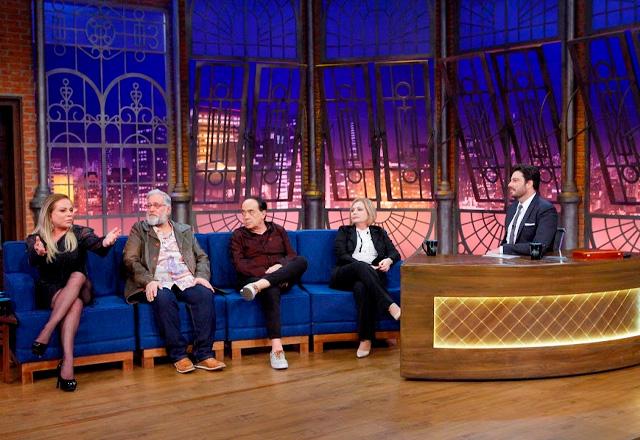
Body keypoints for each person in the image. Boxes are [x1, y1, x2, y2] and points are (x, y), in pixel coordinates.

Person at [123, 189, 225, 374]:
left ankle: (204, 354)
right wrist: (147, 281)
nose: (151, 209)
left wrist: (201, 277)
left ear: (168, 209)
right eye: (149, 205)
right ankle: (179, 355)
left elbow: (202, 257)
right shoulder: (140, 229)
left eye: (156, 205)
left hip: (186, 280)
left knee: (205, 294)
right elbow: (130, 259)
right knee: (163, 298)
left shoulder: (184, 230)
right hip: (157, 281)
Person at [27, 193, 121, 391]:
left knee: (78, 276)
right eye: (63, 210)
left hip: (81, 288)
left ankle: (47, 330)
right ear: (49, 215)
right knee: (75, 304)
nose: (69, 214)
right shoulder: (37, 239)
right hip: (51, 291)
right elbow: (33, 260)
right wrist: (40, 253)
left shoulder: (79, 233)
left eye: (71, 210)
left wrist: (106, 243)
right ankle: (67, 365)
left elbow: (97, 245)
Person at [230, 196, 308, 370]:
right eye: (243, 212)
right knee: (271, 288)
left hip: (276, 277)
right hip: (251, 278)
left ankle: (261, 286)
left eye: (251, 212)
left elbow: (291, 256)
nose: (246, 216)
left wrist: (279, 267)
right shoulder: (238, 236)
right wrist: (268, 275)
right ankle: (277, 349)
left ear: (263, 213)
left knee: (302, 261)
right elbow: (240, 265)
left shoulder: (278, 230)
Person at [330, 198, 401, 358]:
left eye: (359, 209)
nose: (354, 212)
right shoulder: (344, 231)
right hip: (345, 273)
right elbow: (341, 255)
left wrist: (388, 261)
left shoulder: (379, 232)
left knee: (362, 288)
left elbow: (395, 253)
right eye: (353, 209)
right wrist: (366, 266)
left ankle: (366, 339)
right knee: (361, 266)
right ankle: (390, 305)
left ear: (369, 212)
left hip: (372, 276)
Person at [488, 164, 559, 256]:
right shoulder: (512, 209)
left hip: (529, 266)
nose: (509, 184)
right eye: (511, 180)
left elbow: (538, 248)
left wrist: (503, 249)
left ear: (529, 184)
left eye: (515, 181)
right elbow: (507, 241)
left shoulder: (546, 210)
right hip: (506, 264)